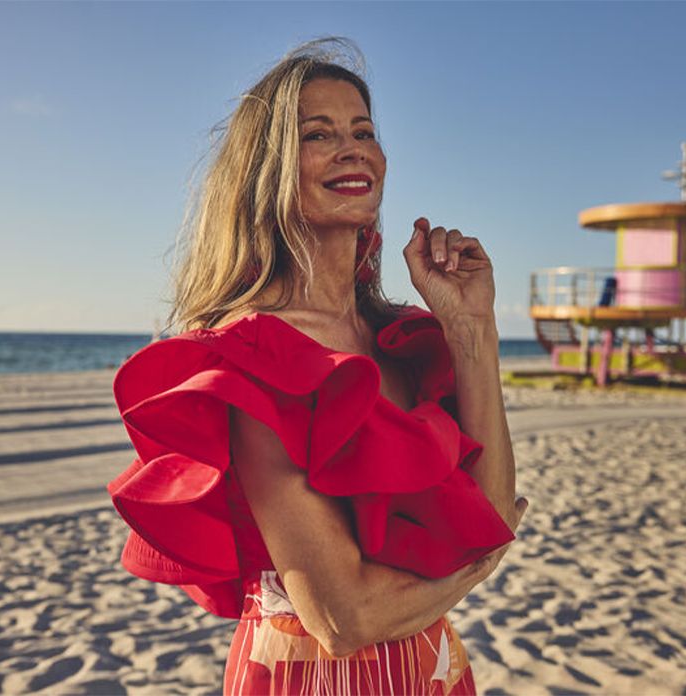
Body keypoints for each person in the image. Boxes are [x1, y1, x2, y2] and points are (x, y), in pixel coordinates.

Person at [106, 38, 528, 695]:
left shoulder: (402, 340)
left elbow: (490, 511)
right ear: (266, 167)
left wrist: (472, 328)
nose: (353, 146)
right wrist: (472, 571)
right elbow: (344, 617)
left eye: (363, 130)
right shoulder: (253, 354)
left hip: (434, 673)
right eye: (318, 134)